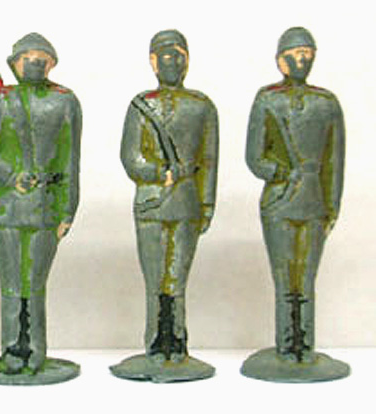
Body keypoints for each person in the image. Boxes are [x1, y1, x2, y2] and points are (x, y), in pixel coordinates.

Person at [242, 27, 348, 382]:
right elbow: (254, 155)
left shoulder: (326, 103)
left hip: (314, 201)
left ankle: (305, 346)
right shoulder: (267, 99)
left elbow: (334, 160)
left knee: (307, 276)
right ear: (281, 61)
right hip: (280, 200)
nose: (302, 61)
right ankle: (287, 345)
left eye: (307, 54)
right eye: (296, 55)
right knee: (284, 275)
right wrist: (278, 173)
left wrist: (332, 205)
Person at [112, 29, 218, 382]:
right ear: (153, 62)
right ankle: (156, 344)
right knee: (155, 277)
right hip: (151, 204)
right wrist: (159, 173)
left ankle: (178, 344)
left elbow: (209, 159)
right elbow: (130, 156)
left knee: (177, 278)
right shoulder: (141, 105)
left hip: (187, 204)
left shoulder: (202, 106)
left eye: (179, 56)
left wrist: (206, 203)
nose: (173, 63)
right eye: (166, 56)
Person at [0, 32, 81, 376]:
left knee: (34, 284)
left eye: (41, 59)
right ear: (15, 64)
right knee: (11, 284)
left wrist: (68, 210)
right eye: (27, 59)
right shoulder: (1, 100)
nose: (34, 65)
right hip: (6, 208)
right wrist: (10, 176)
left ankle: (35, 351)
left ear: (51, 64)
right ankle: (12, 350)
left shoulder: (65, 102)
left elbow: (70, 161)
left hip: (45, 209)